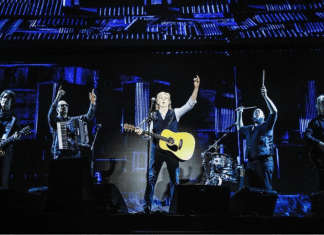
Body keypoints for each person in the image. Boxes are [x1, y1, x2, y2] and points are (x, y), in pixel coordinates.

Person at [135, 75, 200, 213]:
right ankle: (147, 207)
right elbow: (147, 135)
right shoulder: (152, 116)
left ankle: (175, 208)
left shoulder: (175, 113)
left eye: (166, 98)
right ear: (157, 102)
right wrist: (142, 133)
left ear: (169, 101)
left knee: (175, 181)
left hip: (173, 152)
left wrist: (196, 88)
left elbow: (190, 104)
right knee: (151, 178)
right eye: (161, 98)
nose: (163, 100)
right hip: (156, 150)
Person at [236, 85, 277, 190]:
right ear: (252, 117)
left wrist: (265, 96)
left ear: (263, 117)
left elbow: (274, 112)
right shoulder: (249, 128)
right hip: (251, 163)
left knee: (266, 191)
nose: (257, 111)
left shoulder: (266, 126)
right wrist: (240, 114)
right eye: (255, 111)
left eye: (260, 112)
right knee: (254, 192)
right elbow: (240, 128)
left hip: (264, 162)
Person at [48, 86, 96, 159]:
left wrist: (92, 103)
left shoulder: (72, 120)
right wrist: (57, 98)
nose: (65, 107)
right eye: (62, 106)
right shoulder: (56, 121)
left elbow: (88, 117)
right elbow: (50, 116)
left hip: (74, 154)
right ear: (57, 109)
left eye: (66, 105)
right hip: (60, 155)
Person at [0, 90, 21, 189]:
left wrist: (16, 136)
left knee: (4, 178)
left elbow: (17, 133)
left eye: (8, 98)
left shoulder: (14, 118)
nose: (5, 100)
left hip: (6, 148)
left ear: (11, 102)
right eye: (4, 97)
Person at [304, 94, 324, 192]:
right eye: (323, 102)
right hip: (320, 158)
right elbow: (307, 135)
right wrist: (318, 143)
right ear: (319, 106)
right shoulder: (315, 122)